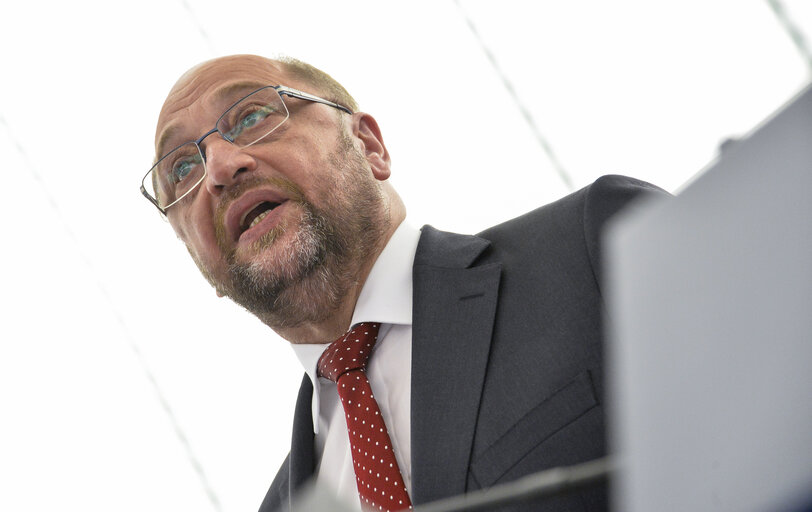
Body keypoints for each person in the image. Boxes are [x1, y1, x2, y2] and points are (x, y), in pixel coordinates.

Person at [143, 54, 667, 512]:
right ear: (196, 256)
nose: (219, 168)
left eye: (252, 115)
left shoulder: (596, 246)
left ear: (369, 145)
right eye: (183, 170)